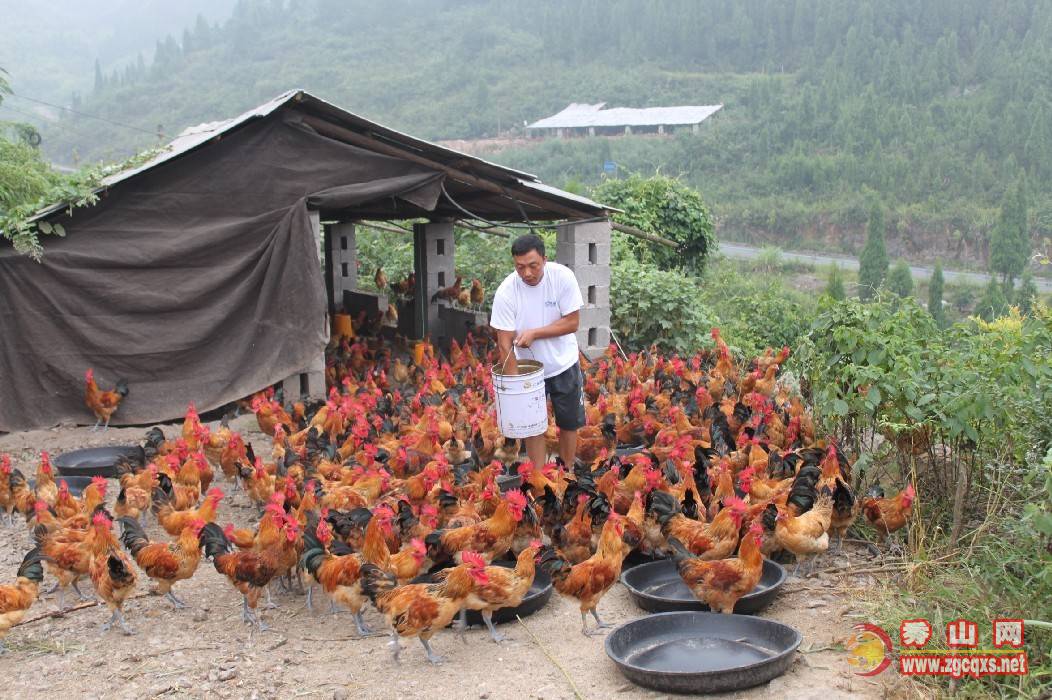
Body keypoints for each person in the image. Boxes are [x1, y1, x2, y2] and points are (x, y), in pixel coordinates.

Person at [490, 233, 586, 469]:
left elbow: (572, 322)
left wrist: (534, 333)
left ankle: (566, 472)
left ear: (545, 258)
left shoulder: (562, 278)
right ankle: (539, 476)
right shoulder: (506, 292)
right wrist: (514, 387)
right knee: (533, 425)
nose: (527, 273)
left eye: (533, 265)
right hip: (529, 371)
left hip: (563, 363)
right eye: (520, 267)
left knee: (569, 423)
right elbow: (504, 344)